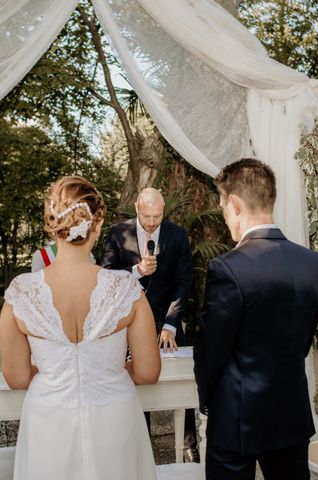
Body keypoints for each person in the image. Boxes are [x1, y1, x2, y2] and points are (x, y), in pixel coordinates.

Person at [0, 176, 160, 480]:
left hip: (49, 419)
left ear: (51, 224)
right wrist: (106, 370)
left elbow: (17, 377)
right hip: (114, 417)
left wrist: (58, 374)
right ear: (97, 224)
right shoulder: (125, 288)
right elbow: (148, 372)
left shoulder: (21, 292)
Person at [194, 158, 318, 480]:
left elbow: (211, 352)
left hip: (236, 418)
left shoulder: (227, 268)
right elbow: (304, 341)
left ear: (235, 204)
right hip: (291, 414)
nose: (225, 217)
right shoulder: (315, 264)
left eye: (223, 207)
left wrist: (208, 400)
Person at [101, 187, 198, 462]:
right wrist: (137, 271)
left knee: (182, 381)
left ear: (163, 209)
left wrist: (170, 324)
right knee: (136, 381)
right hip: (130, 323)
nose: (153, 221)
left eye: (158, 215)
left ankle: (189, 445)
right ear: (136, 208)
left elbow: (183, 282)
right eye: (147, 216)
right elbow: (105, 278)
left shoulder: (177, 236)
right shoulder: (118, 233)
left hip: (167, 319)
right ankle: (141, 449)